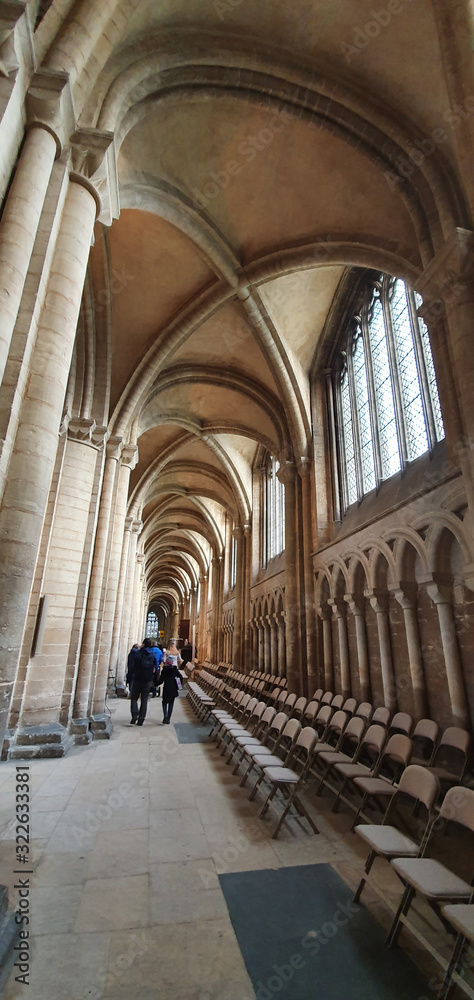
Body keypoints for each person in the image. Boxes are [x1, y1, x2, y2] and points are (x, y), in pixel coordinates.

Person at [130, 640, 157, 726]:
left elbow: (132, 666)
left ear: (143, 644)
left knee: (134, 698)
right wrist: (154, 680)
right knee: (144, 700)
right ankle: (141, 719)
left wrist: (130, 677)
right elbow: (155, 668)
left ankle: (135, 715)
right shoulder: (153, 655)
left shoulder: (137, 654)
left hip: (137, 679)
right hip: (148, 680)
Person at [157, 643, 183, 723]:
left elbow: (161, 680)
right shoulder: (175, 670)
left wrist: (155, 684)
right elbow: (180, 677)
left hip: (166, 687)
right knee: (171, 703)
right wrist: (179, 686)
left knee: (164, 702)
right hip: (173, 687)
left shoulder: (166, 654)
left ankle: (165, 715)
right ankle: (168, 718)